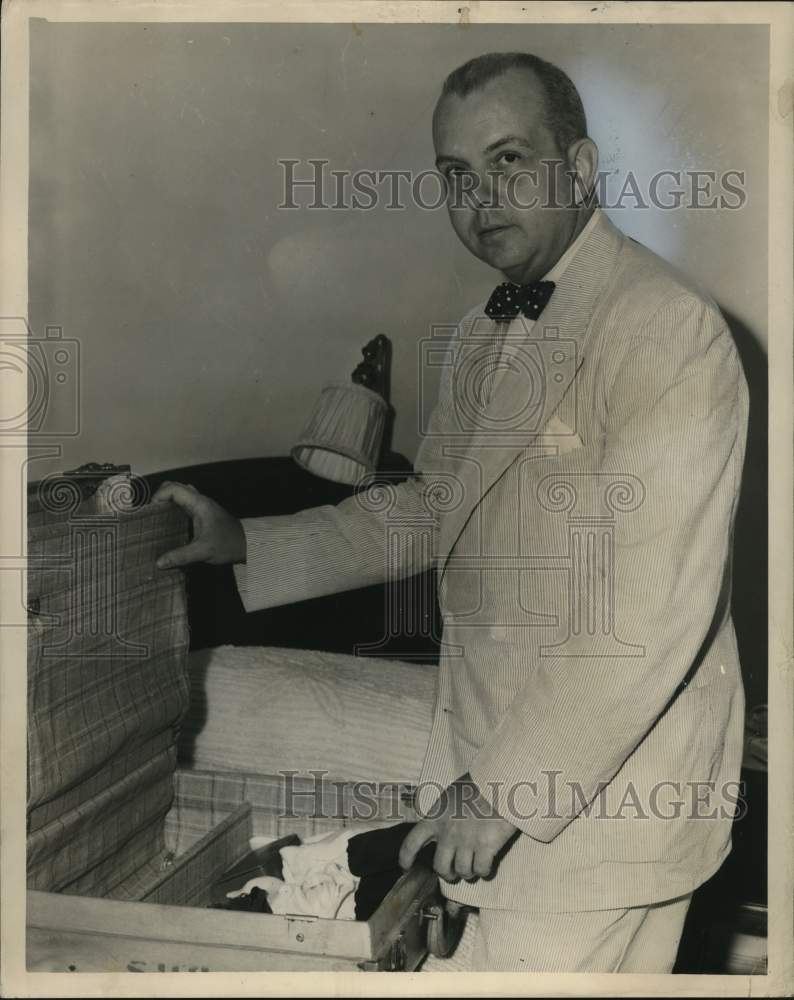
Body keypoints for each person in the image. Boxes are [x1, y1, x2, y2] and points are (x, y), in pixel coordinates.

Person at [154, 52, 749, 972]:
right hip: (493, 778)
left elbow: (646, 611)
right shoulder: (480, 335)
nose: (481, 198)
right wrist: (244, 543)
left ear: (580, 168)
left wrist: (503, 791)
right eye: (456, 174)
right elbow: (430, 509)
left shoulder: (665, 328)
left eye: (509, 160)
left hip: (599, 808)